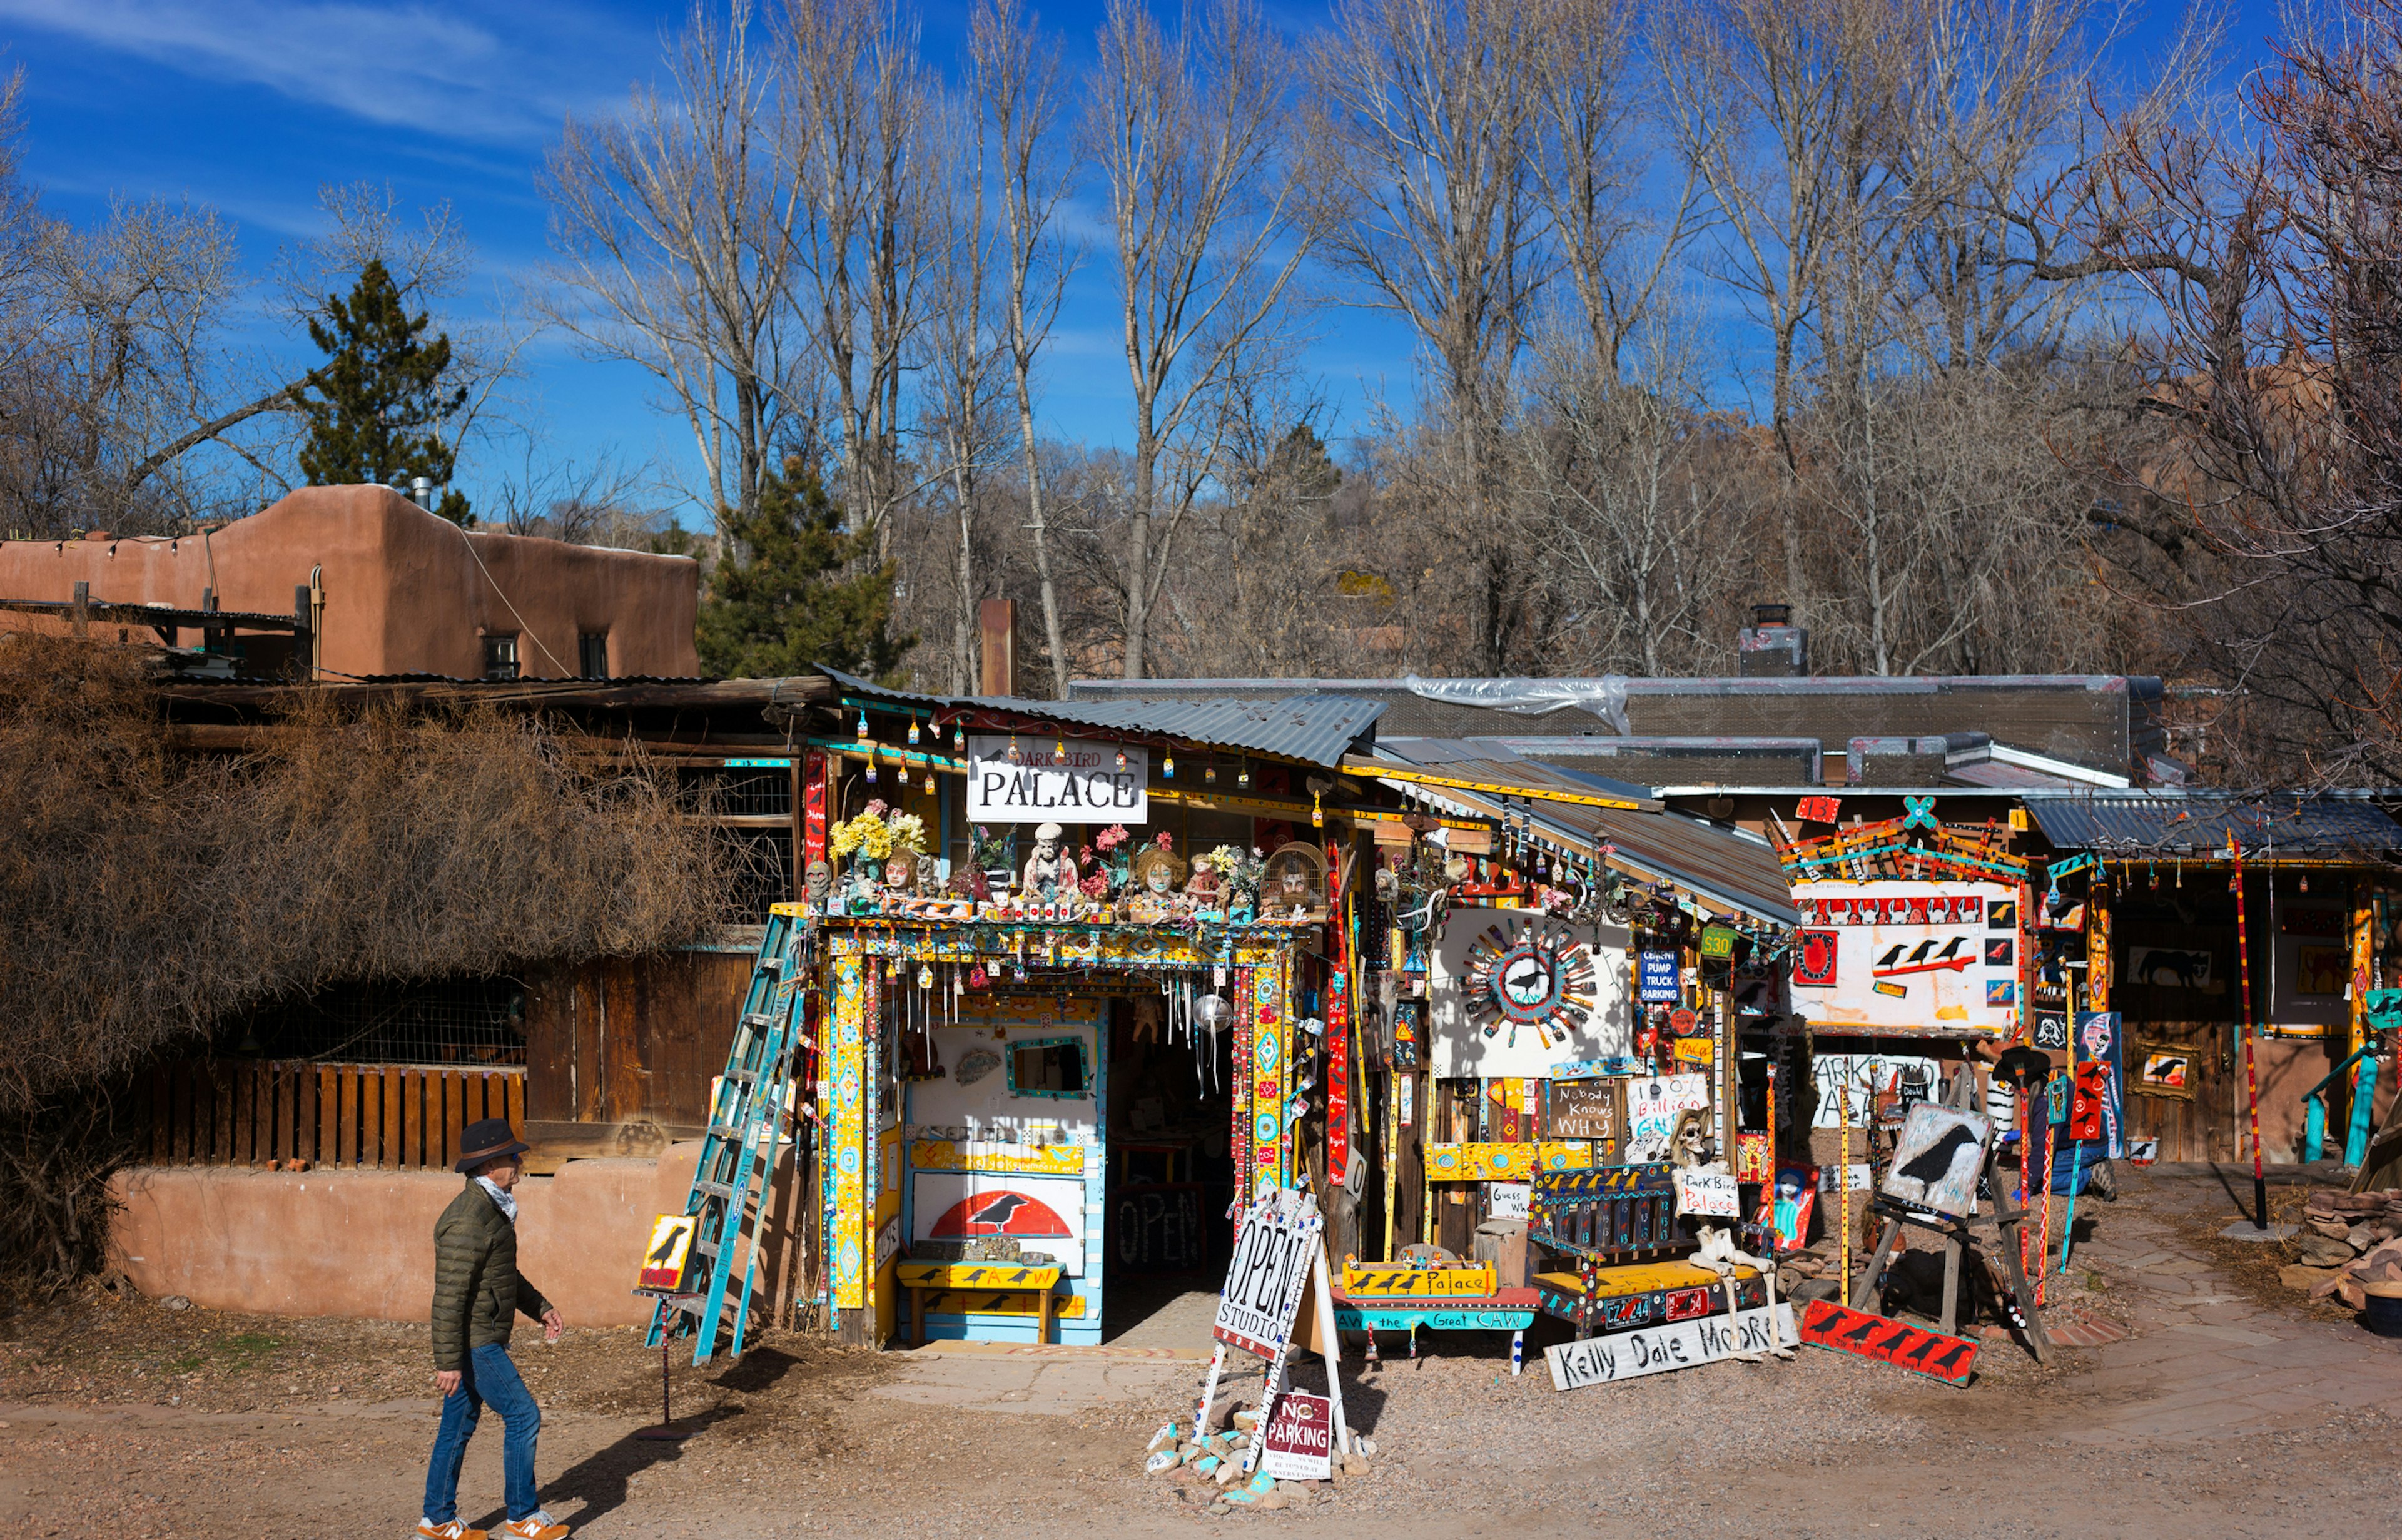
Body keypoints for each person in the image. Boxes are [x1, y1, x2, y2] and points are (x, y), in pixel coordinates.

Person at [418, 1118, 569, 1540]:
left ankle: (437, 1521)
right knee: (523, 1416)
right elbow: (449, 1297)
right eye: (511, 1156)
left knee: (458, 1425)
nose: (519, 1160)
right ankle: (522, 1518)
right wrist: (448, 1362)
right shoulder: (468, 1220)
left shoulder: (492, 1207)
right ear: (489, 1167)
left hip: (478, 1336)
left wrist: (539, 1307)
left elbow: (501, 1275)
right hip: (476, 1341)